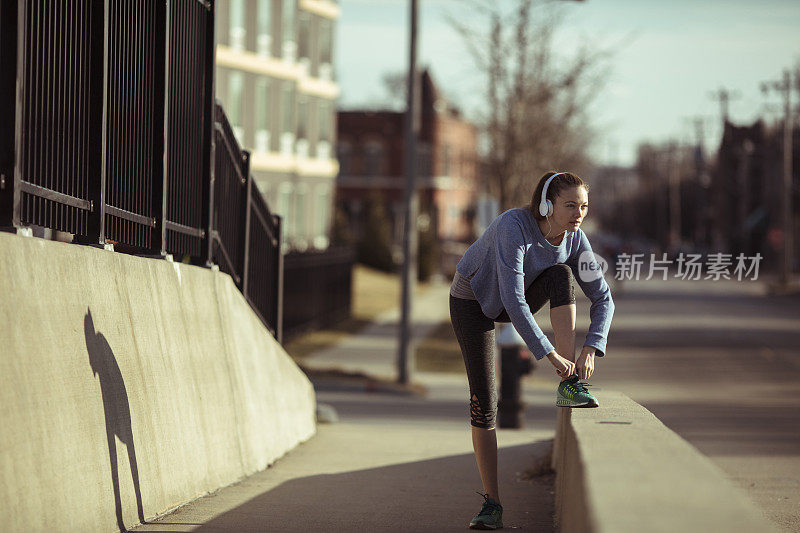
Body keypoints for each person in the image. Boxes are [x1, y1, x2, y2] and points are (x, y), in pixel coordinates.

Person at [449, 171, 615, 529]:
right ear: (546, 203)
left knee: (561, 275)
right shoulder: (514, 226)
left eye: (583, 206)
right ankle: (492, 504)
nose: (578, 213)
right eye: (570, 205)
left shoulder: (576, 241)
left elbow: (603, 297)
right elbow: (513, 299)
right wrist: (547, 352)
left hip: (517, 297)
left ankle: (569, 384)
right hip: (473, 299)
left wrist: (591, 347)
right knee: (484, 400)